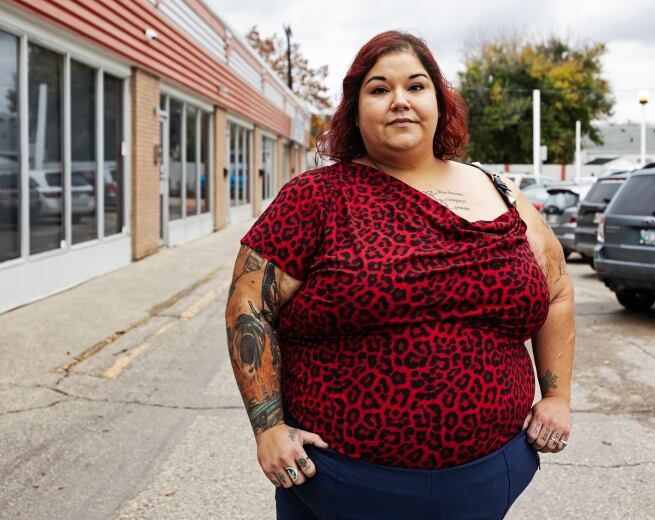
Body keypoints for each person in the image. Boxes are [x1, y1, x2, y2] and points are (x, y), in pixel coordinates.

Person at [225, 30, 574, 519]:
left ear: (438, 100)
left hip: (488, 478)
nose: (399, 102)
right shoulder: (315, 198)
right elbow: (249, 307)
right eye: (379, 89)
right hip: (344, 484)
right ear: (355, 108)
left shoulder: (501, 193)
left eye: (415, 86)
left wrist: (557, 396)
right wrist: (267, 427)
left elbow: (556, 291)